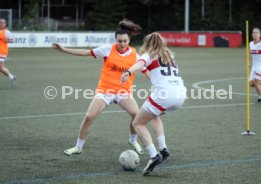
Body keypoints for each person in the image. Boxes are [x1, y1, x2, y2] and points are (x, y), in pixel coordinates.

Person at [52, 19, 147, 156]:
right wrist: (63, 49)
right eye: (119, 41)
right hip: (105, 91)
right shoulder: (107, 49)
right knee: (89, 117)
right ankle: (78, 147)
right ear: (115, 39)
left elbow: (146, 69)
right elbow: (85, 52)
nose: (122, 44)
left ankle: (133, 140)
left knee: (136, 115)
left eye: (125, 41)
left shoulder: (135, 55)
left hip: (123, 92)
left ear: (129, 39)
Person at [121, 32, 186, 175]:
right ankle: (163, 149)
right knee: (154, 115)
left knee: (137, 123)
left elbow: (140, 64)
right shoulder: (170, 57)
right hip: (181, 95)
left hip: (165, 95)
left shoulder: (149, 55)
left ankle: (153, 156)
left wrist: (128, 72)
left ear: (148, 44)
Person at [0, 18, 16, 85]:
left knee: (0, 67)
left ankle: (12, 77)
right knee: (1, 68)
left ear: (5, 24)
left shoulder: (7, 32)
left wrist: (7, 40)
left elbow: (12, 40)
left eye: (3, 23)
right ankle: (12, 77)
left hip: (2, 51)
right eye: (0, 22)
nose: (1, 24)